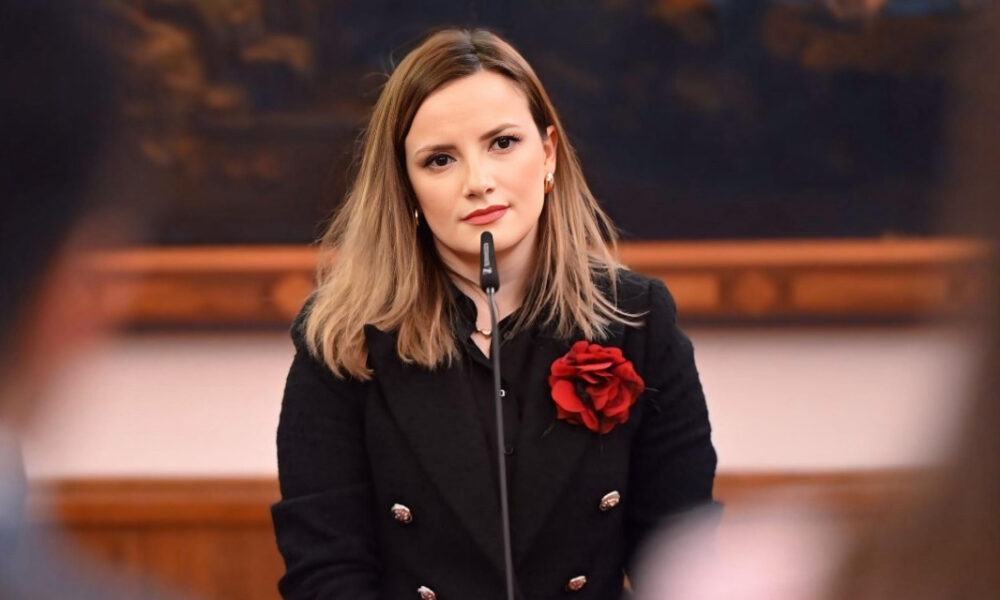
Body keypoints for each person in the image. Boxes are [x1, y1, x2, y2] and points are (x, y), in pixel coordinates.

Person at [271, 28, 717, 600]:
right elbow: (325, 573)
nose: (478, 182)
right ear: (405, 185)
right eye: (440, 160)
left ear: (548, 153)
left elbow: (684, 565)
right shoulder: (342, 337)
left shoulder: (637, 318)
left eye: (502, 143)